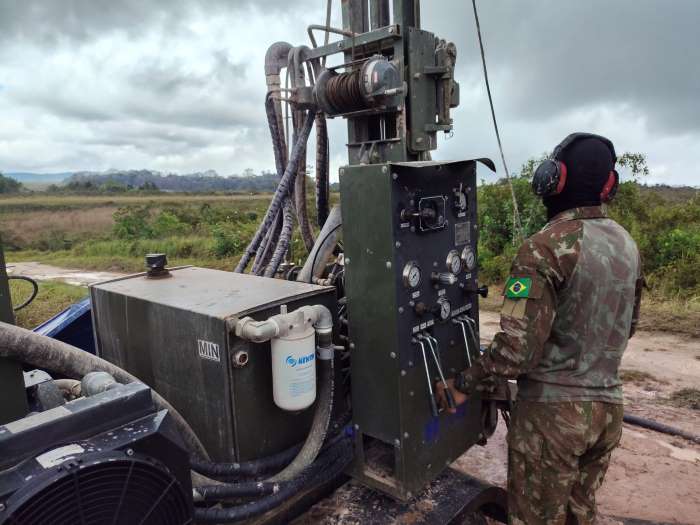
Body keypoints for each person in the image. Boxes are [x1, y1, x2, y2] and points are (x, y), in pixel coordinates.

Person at [437, 133, 644, 525]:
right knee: (579, 515)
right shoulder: (627, 245)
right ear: (608, 186)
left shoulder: (541, 249)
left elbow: (517, 350)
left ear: (554, 179)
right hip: (607, 412)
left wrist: (462, 384)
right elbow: (628, 328)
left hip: (553, 422)